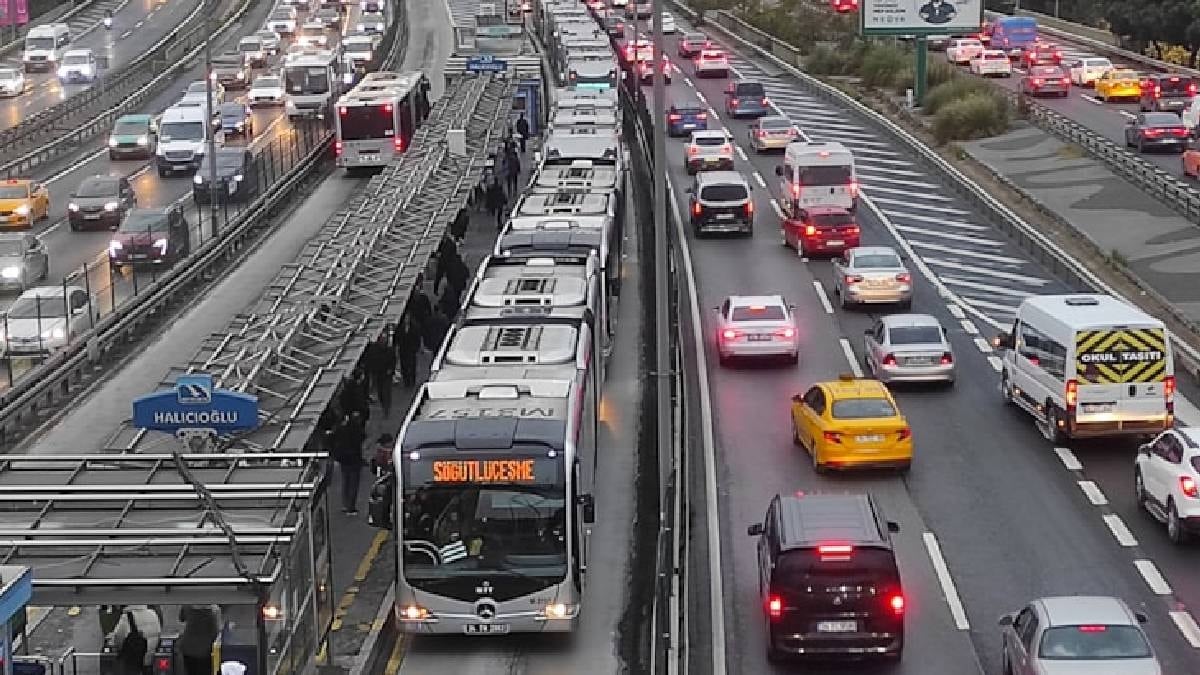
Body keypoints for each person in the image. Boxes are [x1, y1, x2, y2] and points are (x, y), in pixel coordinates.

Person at [333, 411, 366, 514]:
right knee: (353, 484)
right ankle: (351, 506)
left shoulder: (342, 428)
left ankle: (345, 504)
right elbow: (362, 437)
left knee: (345, 482)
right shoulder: (357, 430)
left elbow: (335, 436)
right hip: (354, 459)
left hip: (344, 459)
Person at [112, 605, 160, 675]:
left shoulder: (127, 617)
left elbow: (118, 637)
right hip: (149, 659)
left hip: (133, 660)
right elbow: (158, 633)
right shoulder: (153, 613)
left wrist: (118, 648)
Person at [177, 605, 222, 675]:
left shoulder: (187, 606)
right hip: (205, 651)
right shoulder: (214, 610)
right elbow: (216, 631)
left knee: (191, 671)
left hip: (188, 648)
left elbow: (181, 618)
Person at [363, 331, 395, 415]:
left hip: (386, 374)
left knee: (386, 391)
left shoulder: (390, 350)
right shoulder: (374, 349)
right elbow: (370, 359)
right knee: (380, 391)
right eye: (382, 339)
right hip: (378, 373)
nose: (384, 341)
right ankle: (383, 404)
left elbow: (393, 360)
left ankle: (386, 408)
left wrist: (391, 369)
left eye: (385, 339)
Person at [393, 315, 422, 387]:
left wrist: (416, 348)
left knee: (412, 365)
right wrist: (397, 346)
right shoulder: (400, 328)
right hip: (403, 349)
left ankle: (412, 380)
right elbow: (397, 337)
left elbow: (417, 337)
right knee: (404, 366)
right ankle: (406, 381)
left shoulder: (414, 327)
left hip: (411, 349)